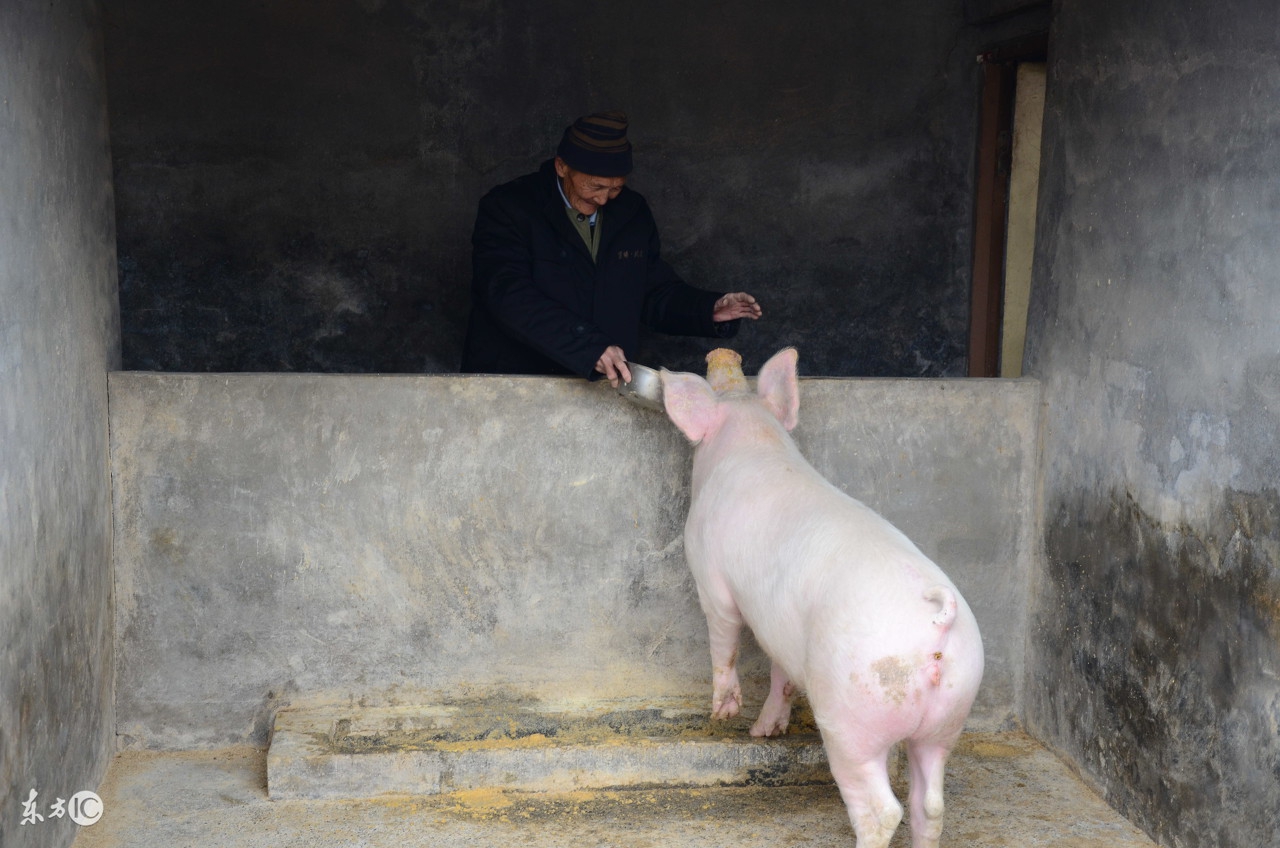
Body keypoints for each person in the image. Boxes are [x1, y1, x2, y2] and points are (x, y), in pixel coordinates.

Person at [461, 111, 762, 387]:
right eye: (595, 187)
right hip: (514, 386)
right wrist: (588, 347)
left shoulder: (631, 212)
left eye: (615, 188)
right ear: (562, 167)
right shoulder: (509, 208)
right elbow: (507, 295)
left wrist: (707, 309)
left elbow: (651, 292)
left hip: (604, 389)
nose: (604, 200)